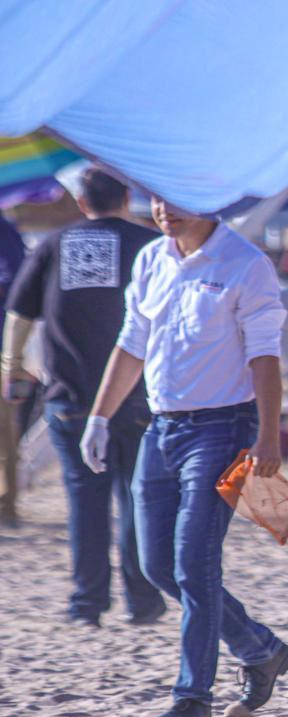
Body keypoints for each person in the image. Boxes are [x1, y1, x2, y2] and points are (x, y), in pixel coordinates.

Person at [81, 196, 288, 717]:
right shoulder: (151, 259)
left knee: (193, 566)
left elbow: (265, 357)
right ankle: (260, 649)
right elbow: (132, 343)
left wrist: (269, 435)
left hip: (224, 430)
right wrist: (99, 417)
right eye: (154, 199)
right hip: (162, 429)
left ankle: (193, 696)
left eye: (173, 199)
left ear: (207, 201)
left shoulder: (245, 264)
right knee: (155, 566)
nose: (162, 209)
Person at [3, 167, 165, 628]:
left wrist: (10, 368)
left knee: (85, 501)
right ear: (127, 196)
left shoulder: (55, 244)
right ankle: (144, 601)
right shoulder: (150, 244)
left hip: (69, 396)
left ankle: (86, 604)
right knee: (137, 496)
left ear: (80, 202)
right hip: (138, 395)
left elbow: (19, 313)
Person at [0, 213, 26, 527]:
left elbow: (17, 278)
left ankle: (7, 503)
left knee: (5, 428)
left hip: (3, 346)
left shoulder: (4, 229)